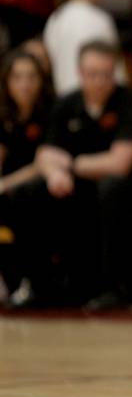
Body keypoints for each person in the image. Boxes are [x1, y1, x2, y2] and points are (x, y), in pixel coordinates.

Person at [34, 40, 132, 307]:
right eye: (92, 74)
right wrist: (53, 173)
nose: (99, 81)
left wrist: (70, 164)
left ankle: (115, 288)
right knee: (38, 190)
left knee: (110, 188)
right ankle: (44, 284)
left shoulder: (130, 101)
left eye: (106, 74)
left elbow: (119, 164)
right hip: (91, 187)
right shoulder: (67, 104)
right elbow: (45, 154)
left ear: (115, 73)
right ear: (80, 73)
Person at [0, 48, 54, 302]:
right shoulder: (4, 117)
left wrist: (4, 184)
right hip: (8, 189)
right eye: (18, 77)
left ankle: (30, 281)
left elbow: (40, 165)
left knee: (26, 198)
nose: (25, 84)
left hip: (36, 190)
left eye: (31, 77)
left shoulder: (50, 113)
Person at [44, 0, 123, 96]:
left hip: (63, 97)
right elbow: (114, 66)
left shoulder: (55, 19)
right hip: (96, 97)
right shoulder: (99, 19)